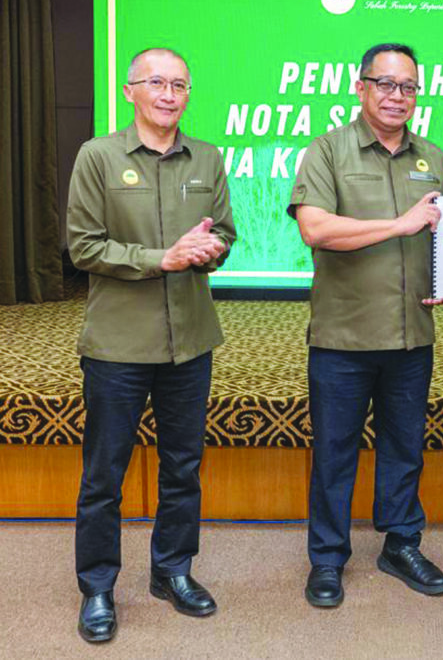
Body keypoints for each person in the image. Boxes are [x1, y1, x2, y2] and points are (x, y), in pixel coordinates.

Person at [67, 48, 234, 643]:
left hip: (190, 342)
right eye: (157, 82)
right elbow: (83, 246)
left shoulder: (208, 157)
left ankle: (173, 571)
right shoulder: (97, 156)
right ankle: (97, 587)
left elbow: (225, 234)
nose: (169, 94)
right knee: (104, 475)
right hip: (118, 346)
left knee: (183, 467)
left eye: (180, 85)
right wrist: (160, 258)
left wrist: (212, 249)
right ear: (129, 90)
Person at [288, 43, 443, 607]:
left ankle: (401, 544)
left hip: (411, 335)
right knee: (335, 452)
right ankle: (327, 558)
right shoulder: (328, 150)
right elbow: (315, 228)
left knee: (405, 448)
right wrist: (399, 224)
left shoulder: (433, 156)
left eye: (408, 86)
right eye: (385, 84)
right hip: (344, 337)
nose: (396, 96)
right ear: (360, 88)